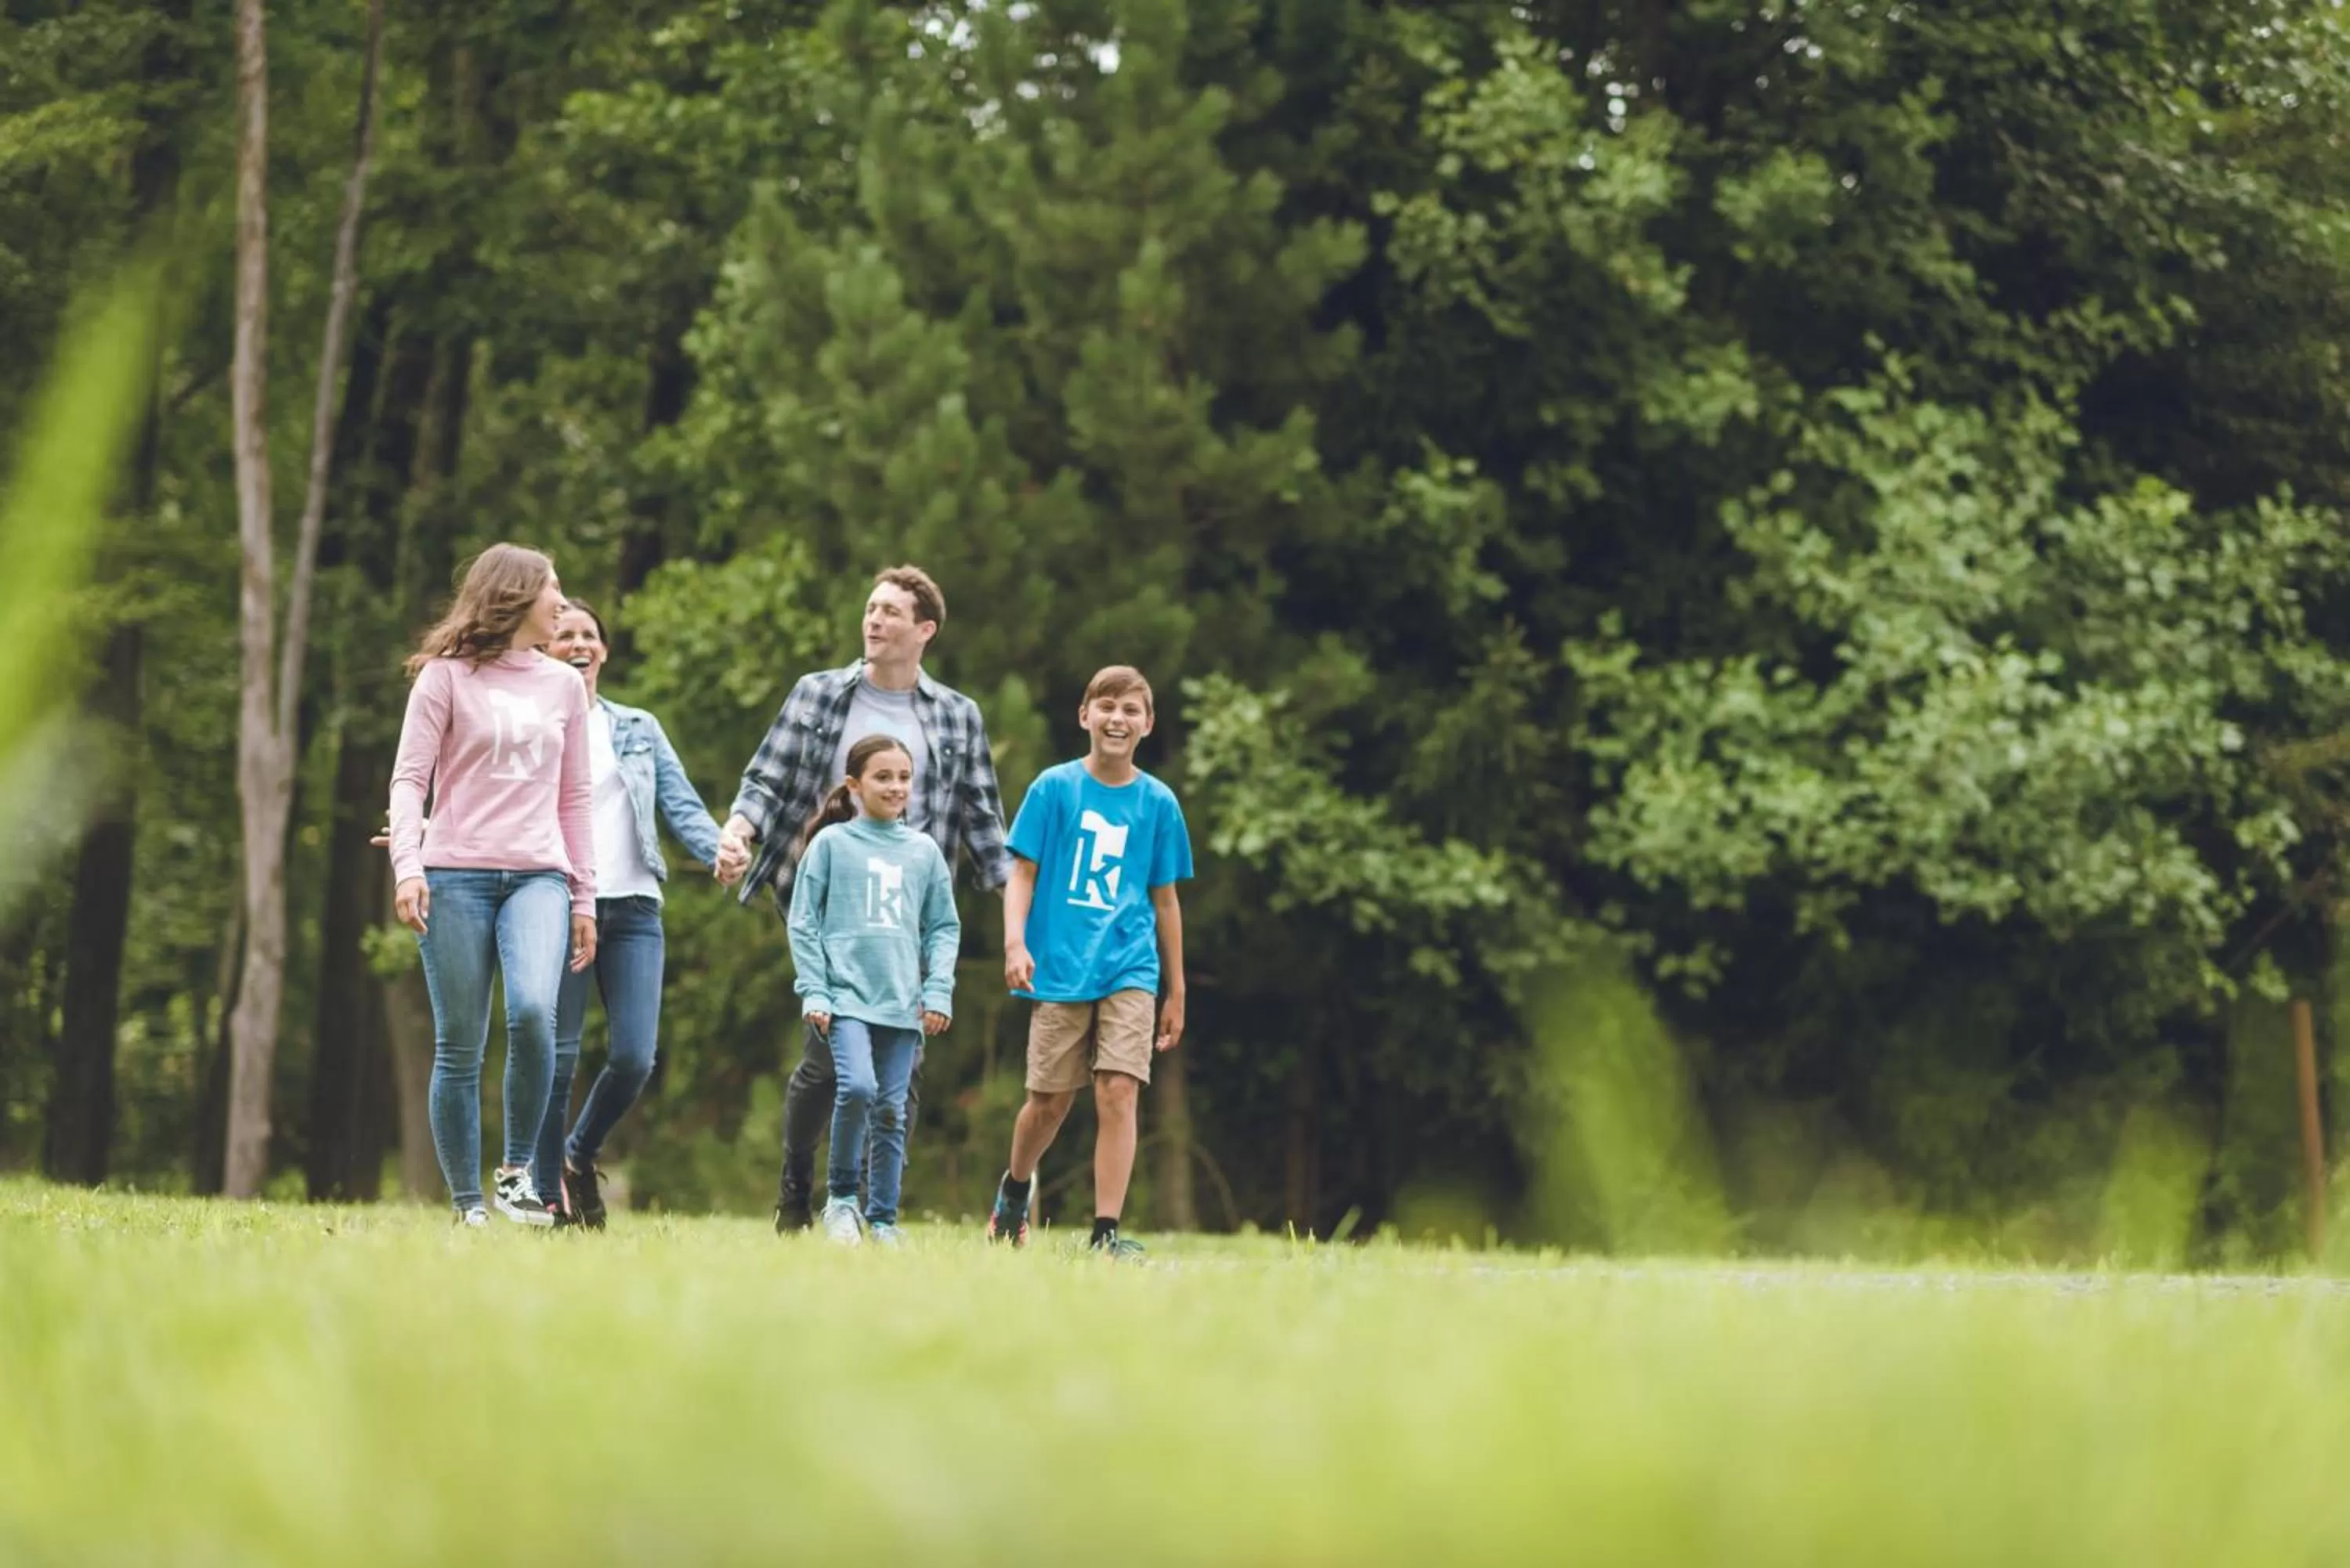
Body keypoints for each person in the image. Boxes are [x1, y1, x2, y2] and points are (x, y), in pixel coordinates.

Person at [714, 565, 1011, 1232]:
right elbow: (766, 779)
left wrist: (1028, 918)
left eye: (890, 613)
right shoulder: (819, 696)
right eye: (870, 608)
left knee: (896, 1080)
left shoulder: (956, 717)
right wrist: (737, 834)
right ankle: (800, 1184)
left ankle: (874, 1215)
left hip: (905, 920)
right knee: (829, 1068)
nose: (874, 621)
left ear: (925, 630)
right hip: (824, 902)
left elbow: (988, 829)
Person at [389, 544, 597, 1227]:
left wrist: (585, 897)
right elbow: (410, 780)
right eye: (553, 590)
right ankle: (467, 1205)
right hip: (455, 874)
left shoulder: (565, 686)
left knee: (535, 1011)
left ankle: (515, 1174)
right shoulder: (445, 678)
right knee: (460, 1043)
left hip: (539, 875)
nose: (563, 603)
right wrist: (409, 867)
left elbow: (575, 800)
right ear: (514, 596)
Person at [984, 666, 1191, 1259]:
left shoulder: (1158, 803)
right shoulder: (1054, 790)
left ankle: (1105, 1234)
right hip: (1061, 965)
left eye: (1130, 710)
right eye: (1107, 707)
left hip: (1131, 964)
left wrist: (1176, 992)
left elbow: (1167, 900)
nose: (1117, 719)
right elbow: (1021, 873)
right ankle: (1016, 1189)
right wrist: (1015, 942)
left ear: (1147, 724)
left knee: (1118, 1089)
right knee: (1048, 1104)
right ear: (1085, 716)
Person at [531, 599, 725, 1229]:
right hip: (559, 902)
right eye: (564, 635)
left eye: (589, 635)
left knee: (636, 1056)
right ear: (545, 650)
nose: (579, 643)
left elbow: (681, 803)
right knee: (557, 1058)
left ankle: (576, 1156)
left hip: (636, 904)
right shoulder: (534, 725)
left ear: (605, 651)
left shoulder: (639, 726)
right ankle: (547, 1198)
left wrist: (718, 849)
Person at [786, 734, 960, 1247]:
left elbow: (943, 927)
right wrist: (814, 990)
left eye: (903, 777)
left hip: (903, 1005)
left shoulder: (923, 852)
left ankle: (882, 1218)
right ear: (854, 785)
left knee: (891, 1108)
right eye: (883, 777)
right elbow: (803, 922)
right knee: (857, 1087)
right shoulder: (832, 846)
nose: (895, 786)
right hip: (844, 1000)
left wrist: (939, 989)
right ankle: (841, 1200)